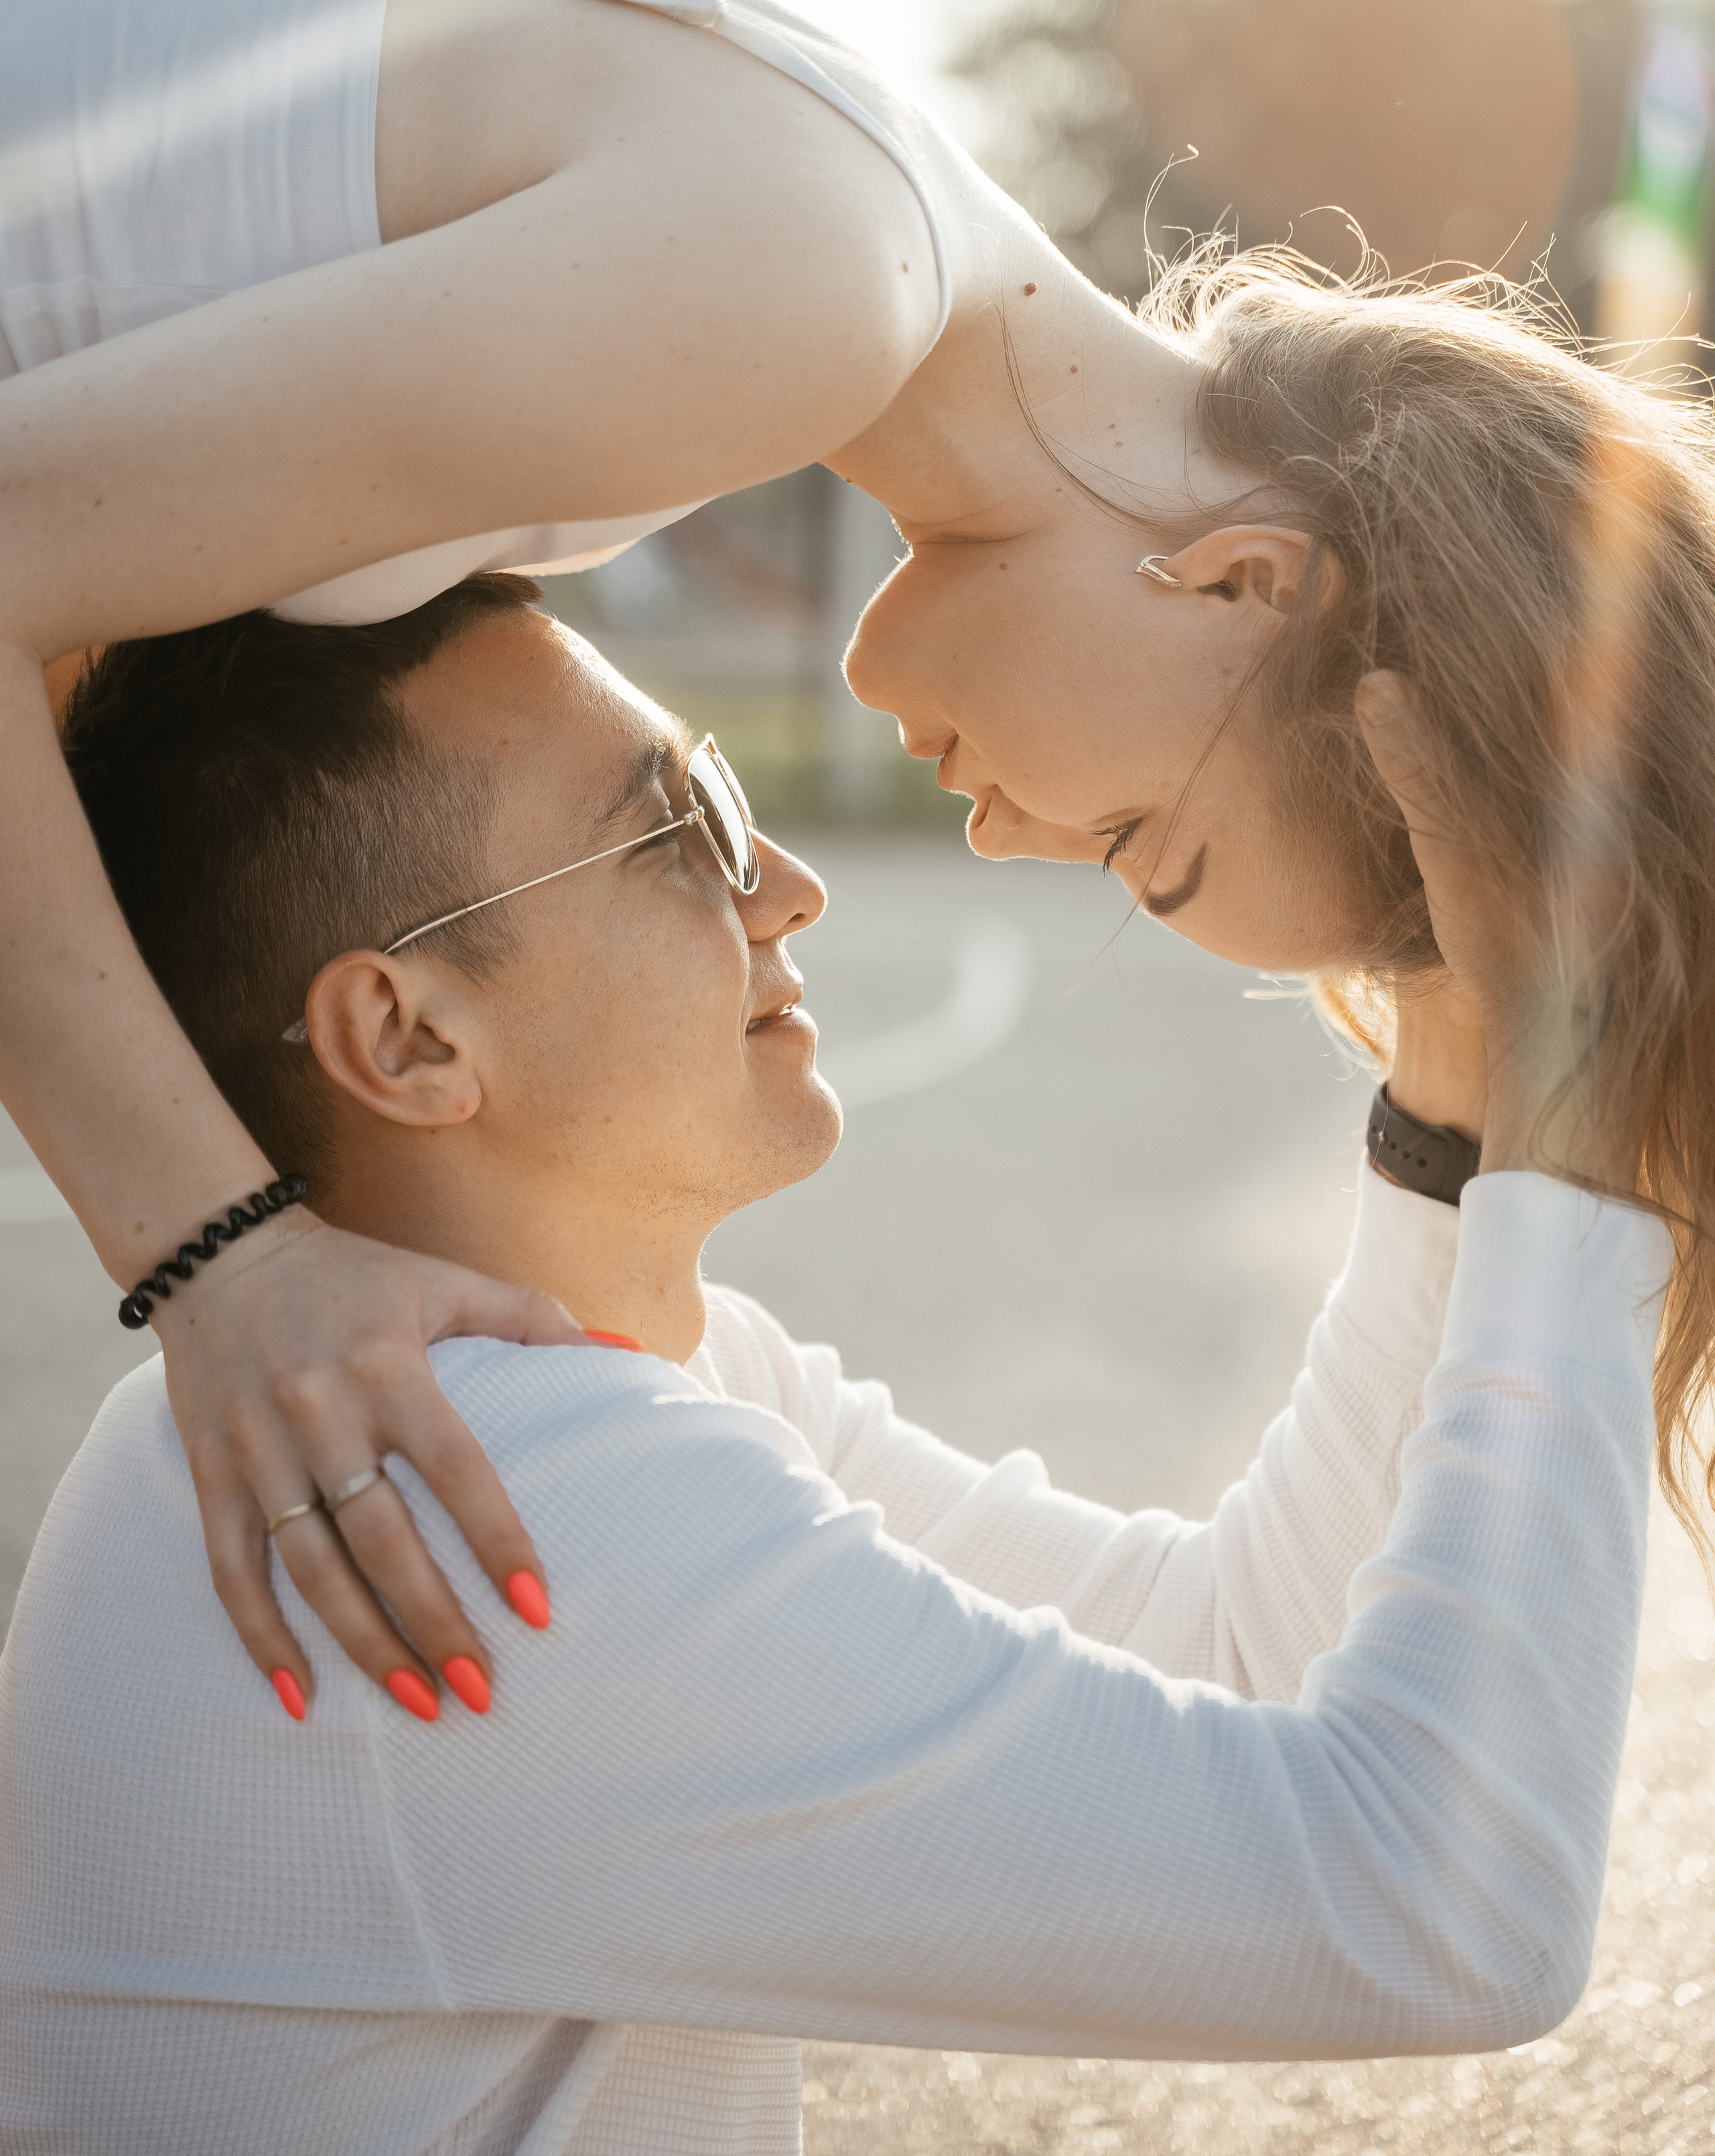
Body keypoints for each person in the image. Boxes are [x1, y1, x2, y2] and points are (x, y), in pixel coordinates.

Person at [0, 0, 1704, 1733]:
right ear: (1238, 583)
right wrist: (220, 1261)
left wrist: (1468, 1059)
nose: (1015, 844)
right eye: (1143, 835)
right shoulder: (802, 286)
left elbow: (1234, 1662)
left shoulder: (844, 247)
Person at [0, 581, 1669, 2150]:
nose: (785, 884)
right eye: (677, 831)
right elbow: (1439, 1913)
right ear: (412, 1038)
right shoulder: (477, 1485)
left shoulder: (575, 1388)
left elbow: (1237, 1652)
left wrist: (1454, 1117)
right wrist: (1576, 1136)